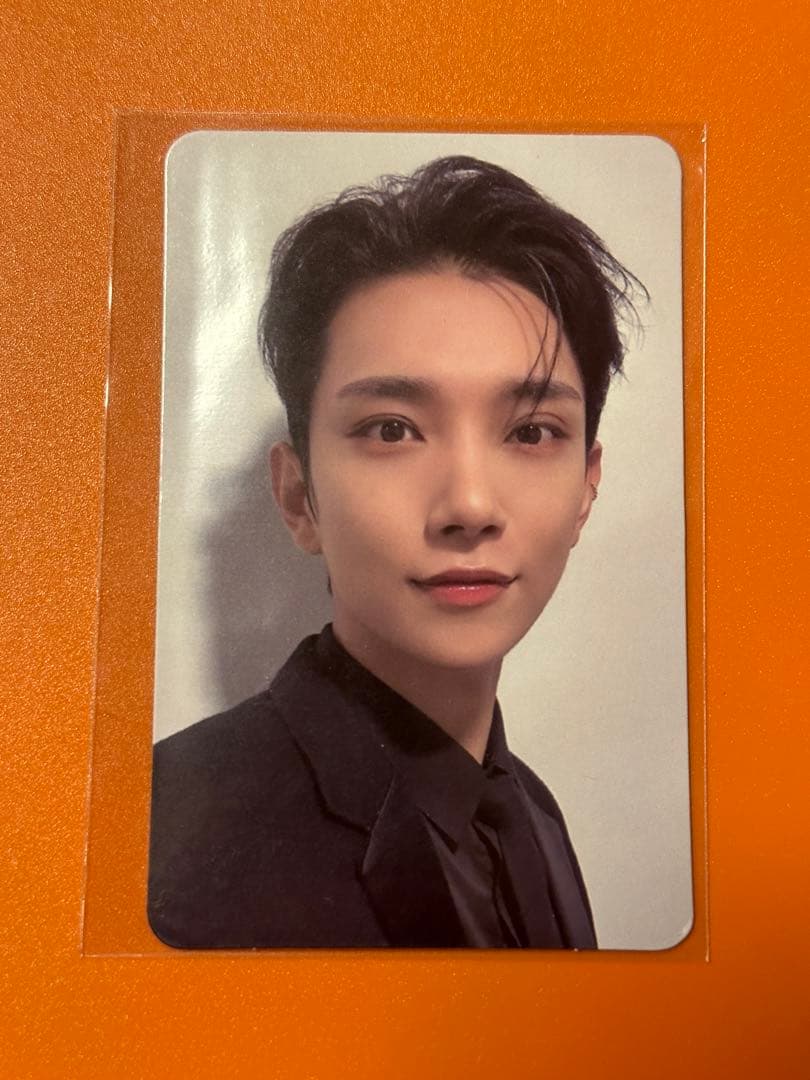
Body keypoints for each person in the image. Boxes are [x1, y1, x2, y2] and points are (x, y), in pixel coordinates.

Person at [148, 155, 643, 949]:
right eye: (392, 430)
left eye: (530, 432)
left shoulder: (532, 813)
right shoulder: (163, 841)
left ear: (586, 487)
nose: (470, 506)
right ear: (298, 495)